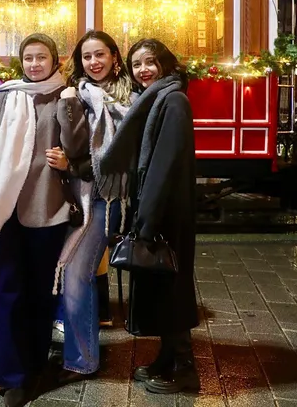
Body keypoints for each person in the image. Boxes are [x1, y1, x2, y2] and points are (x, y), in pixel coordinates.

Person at [0, 33, 88, 407]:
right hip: (4, 209)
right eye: (28, 58)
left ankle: (34, 365)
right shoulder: (6, 95)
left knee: (40, 294)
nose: (35, 64)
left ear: (55, 60)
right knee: (7, 292)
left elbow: (77, 147)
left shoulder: (67, 96)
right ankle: (9, 375)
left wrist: (68, 104)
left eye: (41, 57)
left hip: (48, 207)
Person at [99, 38, 199, 395]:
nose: (144, 69)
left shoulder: (173, 101)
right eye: (137, 64)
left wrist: (148, 220)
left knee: (173, 288)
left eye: (150, 62)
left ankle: (185, 370)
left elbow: (164, 165)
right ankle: (166, 359)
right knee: (161, 287)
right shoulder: (157, 98)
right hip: (159, 208)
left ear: (165, 64)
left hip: (168, 212)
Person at [50, 30, 133, 383]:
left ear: (114, 57)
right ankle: (79, 350)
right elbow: (70, 142)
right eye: (87, 56)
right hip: (73, 198)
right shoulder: (76, 93)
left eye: (100, 54)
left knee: (76, 274)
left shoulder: (130, 98)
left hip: (105, 198)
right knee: (73, 273)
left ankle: (82, 360)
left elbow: (121, 157)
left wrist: (73, 166)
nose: (94, 62)